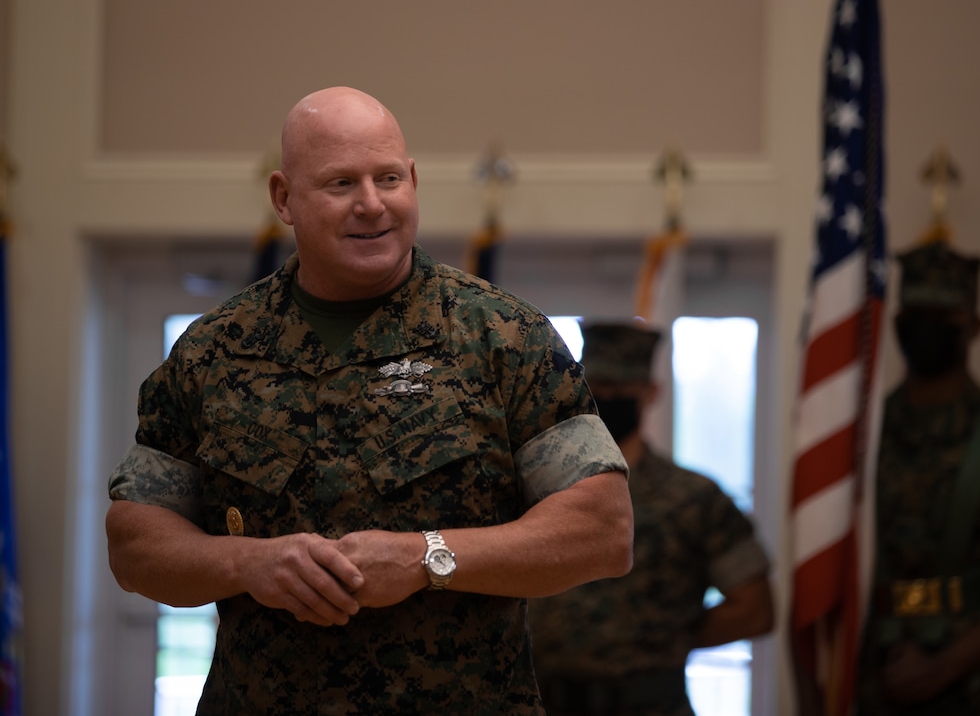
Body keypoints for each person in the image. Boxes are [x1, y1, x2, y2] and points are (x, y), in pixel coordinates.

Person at [104, 86, 634, 715]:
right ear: (283, 198)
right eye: (339, 184)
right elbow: (134, 542)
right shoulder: (214, 351)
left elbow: (603, 530)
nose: (371, 205)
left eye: (388, 179)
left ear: (413, 180)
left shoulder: (503, 337)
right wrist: (247, 563)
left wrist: (426, 557)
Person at [848, 240, 980, 714]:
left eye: (943, 318)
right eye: (916, 315)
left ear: (974, 327)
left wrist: (941, 668)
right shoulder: (862, 434)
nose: (925, 328)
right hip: (878, 679)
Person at [530, 320, 775, 716]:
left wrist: (665, 638)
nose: (607, 397)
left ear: (650, 393)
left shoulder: (694, 497)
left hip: (649, 704)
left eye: (621, 390)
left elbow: (754, 609)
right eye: (598, 388)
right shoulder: (535, 483)